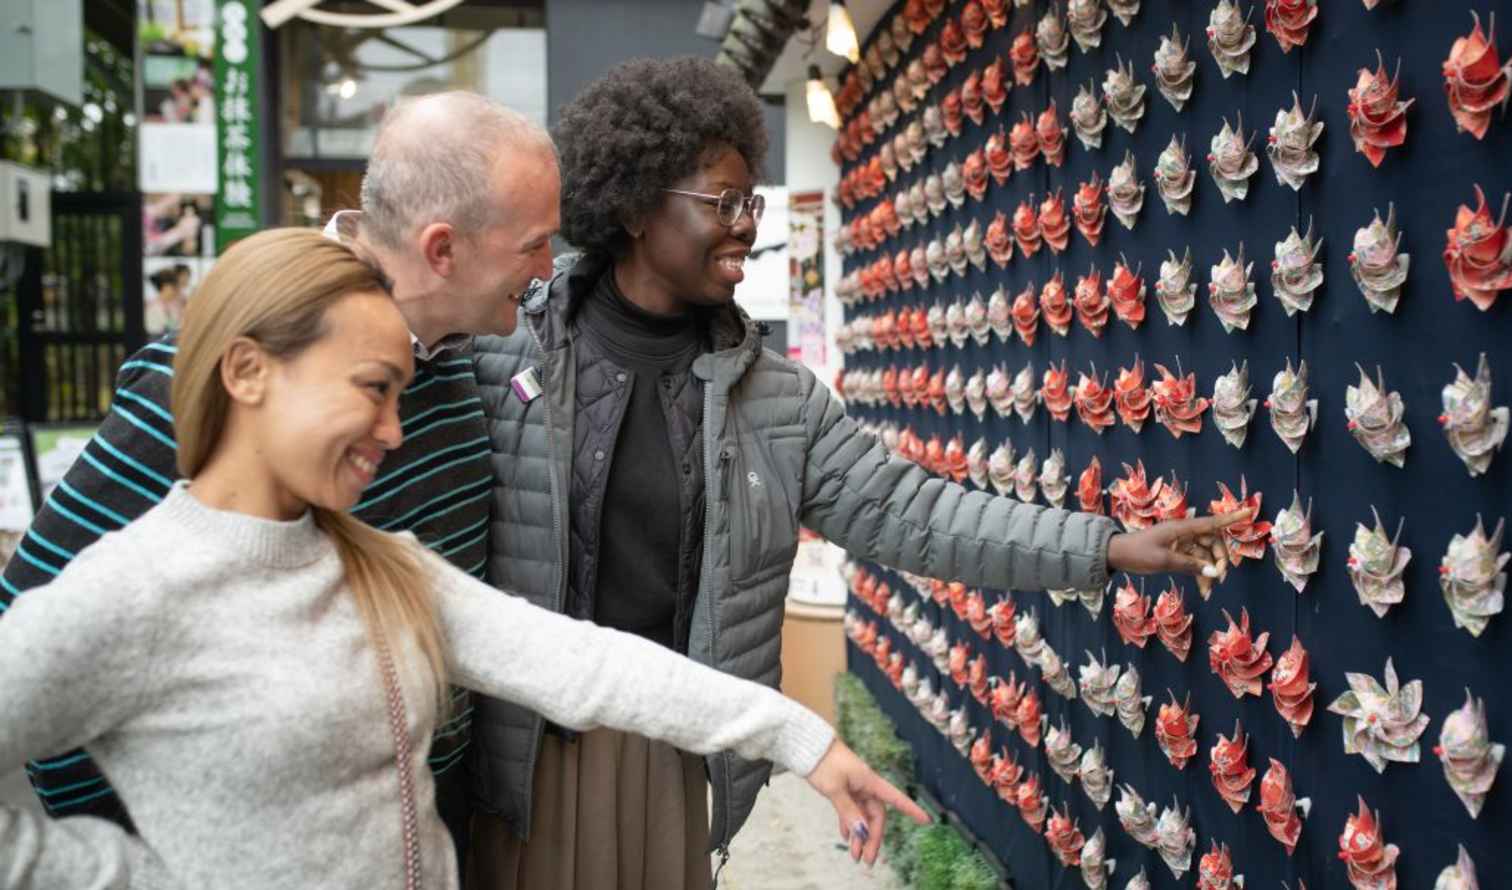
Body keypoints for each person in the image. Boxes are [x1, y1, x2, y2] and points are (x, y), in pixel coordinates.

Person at [466, 56, 1239, 890]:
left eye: (750, 203)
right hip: (524, 760)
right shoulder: (506, 352)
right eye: (721, 203)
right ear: (634, 204)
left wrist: (1114, 546)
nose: (746, 227)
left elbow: (920, 516)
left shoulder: (778, 400)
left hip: (673, 754)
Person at [0, 228, 926, 889]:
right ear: (246, 372)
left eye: (401, 394)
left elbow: (579, 662)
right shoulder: (131, 591)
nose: (393, 431)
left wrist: (801, 739)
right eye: (372, 389)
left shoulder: (381, 567)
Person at [0, 91, 561, 877]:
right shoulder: (213, 379)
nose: (546, 273)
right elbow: (31, 623)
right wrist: (139, 862)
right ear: (443, 250)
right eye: (536, 245)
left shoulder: (458, 355)